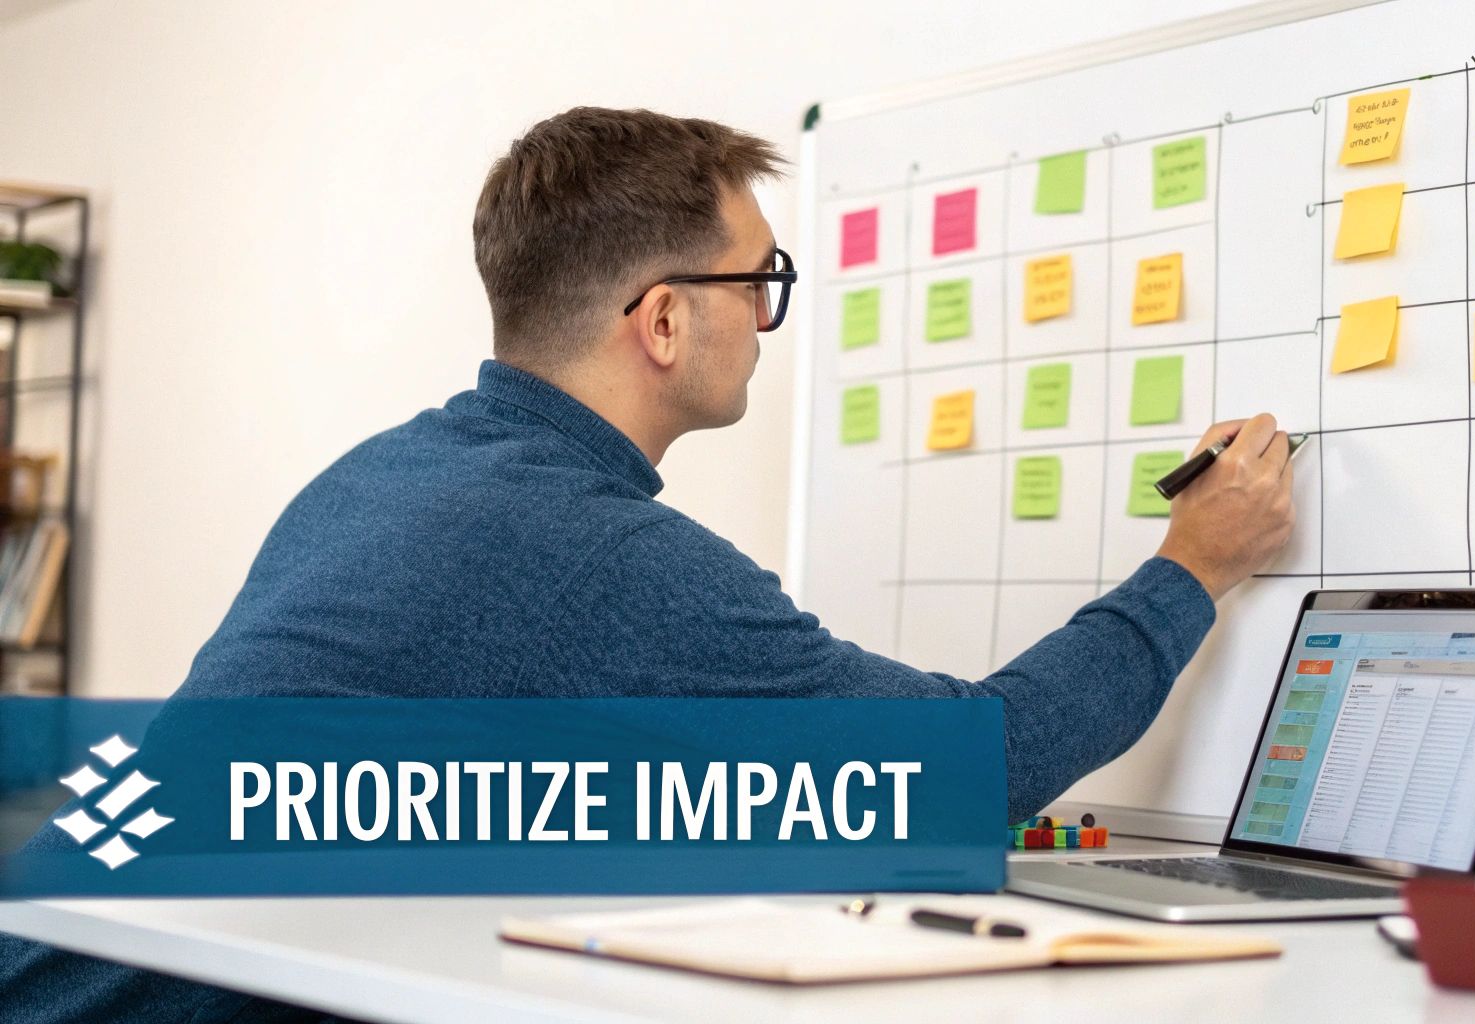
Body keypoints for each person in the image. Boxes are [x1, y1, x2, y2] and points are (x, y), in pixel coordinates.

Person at [0, 107, 1293, 1022]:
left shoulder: (387, 472)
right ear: (665, 318)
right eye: (759, 281)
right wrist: (1191, 568)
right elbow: (971, 765)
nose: (767, 320)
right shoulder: (584, 548)